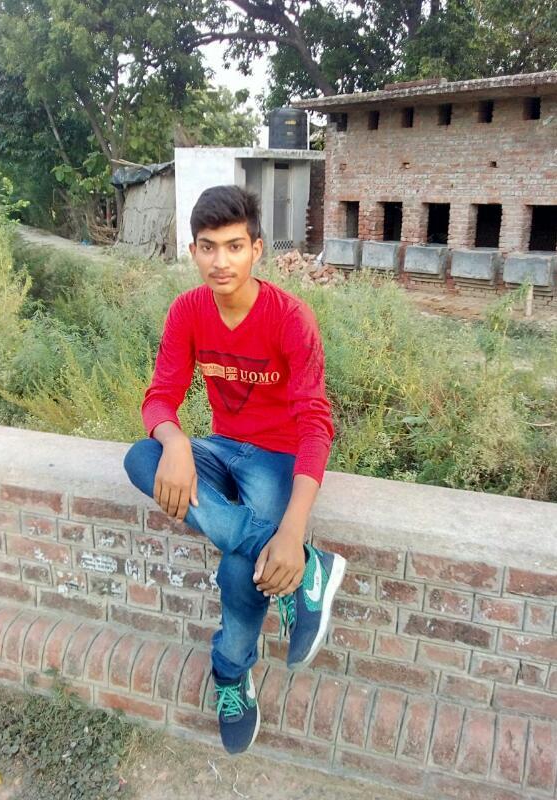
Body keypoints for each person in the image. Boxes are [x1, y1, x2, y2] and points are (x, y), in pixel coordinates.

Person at [124, 185, 346, 755]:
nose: (220, 261)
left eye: (234, 246)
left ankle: (229, 670)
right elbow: (160, 396)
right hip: (220, 448)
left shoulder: (290, 318)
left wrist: (293, 527)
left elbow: (316, 425)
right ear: (193, 251)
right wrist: (174, 439)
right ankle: (309, 569)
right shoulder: (188, 310)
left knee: (243, 568)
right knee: (141, 458)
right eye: (208, 247)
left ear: (257, 249)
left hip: (277, 457)